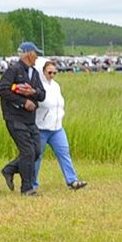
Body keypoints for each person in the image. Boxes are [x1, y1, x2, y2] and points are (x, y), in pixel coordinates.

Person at [0, 42, 47, 195]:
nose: (37, 56)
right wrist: (23, 102)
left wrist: (32, 92)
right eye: (35, 53)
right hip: (15, 117)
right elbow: (2, 89)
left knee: (36, 151)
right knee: (27, 151)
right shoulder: (13, 70)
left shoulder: (35, 73)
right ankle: (27, 188)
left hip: (30, 119)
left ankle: (9, 169)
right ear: (28, 53)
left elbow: (42, 94)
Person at [34, 60, 87, 190]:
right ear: (43, 72)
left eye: (54, 72)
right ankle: (31, 184)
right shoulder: (38, 86)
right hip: (41, 128)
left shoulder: (56, 86)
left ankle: (72, 180)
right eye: (49, 72)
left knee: (64, 152)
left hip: (57, 127)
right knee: (36, 156)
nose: (52, 75)